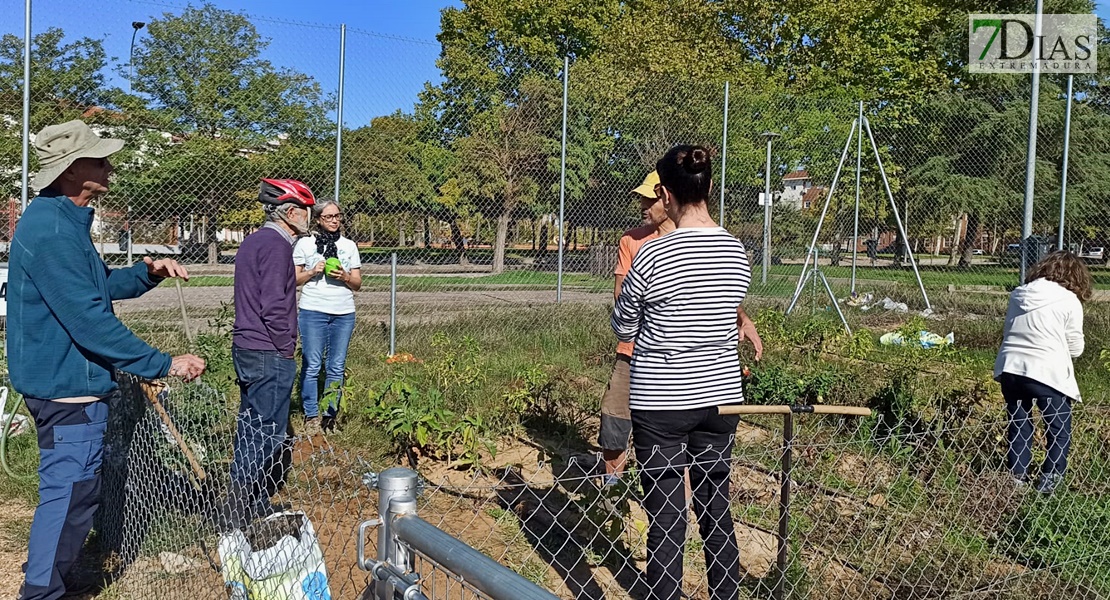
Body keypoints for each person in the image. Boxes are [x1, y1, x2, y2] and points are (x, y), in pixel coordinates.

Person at [9, 119, 205, 600]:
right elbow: (90, 322)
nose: (110, 165)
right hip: (66, 387)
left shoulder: (62, 220)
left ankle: (53, 578)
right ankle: (41, 592)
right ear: (73, 171)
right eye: (101, 159)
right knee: (70, 495)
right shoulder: (54, 230)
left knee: (75, 493)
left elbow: (96, 288)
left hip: (68, 381)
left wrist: (146, 273)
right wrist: (163, 363)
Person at [612, 144, 758, 600]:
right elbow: (728, 314)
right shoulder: (736, 251)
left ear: (665, 193)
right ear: (709, 187)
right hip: (721, 399)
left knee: (667, 519)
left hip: (662, 403)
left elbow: (623, 323)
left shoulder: (653, 255)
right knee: (717, 508)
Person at [222, 178, 315, 529]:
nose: (310, 217)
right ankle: (237, 510)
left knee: (250, 426)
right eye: (306, 211)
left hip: (246, 346)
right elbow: (274, 304)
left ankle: (252, 502)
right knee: (267, 433)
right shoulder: (276, 246)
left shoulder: (253, 241)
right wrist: (285, 346)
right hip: (267, 350)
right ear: (290, 213)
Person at [598, 171, 674, 484]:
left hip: (675, 355)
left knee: (672, 433)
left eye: (650, 198)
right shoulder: (631, 240)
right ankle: (613, 491)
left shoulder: (690, 239)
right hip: (632, 350)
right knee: (614, 419)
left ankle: (672, 501)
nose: (643, 204)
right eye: (641, 197)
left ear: (668, 199)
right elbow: (621, 294)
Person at [995, 250, 1091, 495]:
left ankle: (1016, 481)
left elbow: (1009, 330)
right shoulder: (1069, 300)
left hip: (1010, 369)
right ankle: (1049, 485)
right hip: (1047, 373)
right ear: (1075, 276)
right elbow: (1076, 348)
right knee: (1058, 429)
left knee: (1019, 424)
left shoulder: (1018, 294)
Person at [293, 199, 362, 435]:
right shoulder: (305, 244)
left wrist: (344, 276)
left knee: (336, 366)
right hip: (313, 310)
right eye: (328, 217)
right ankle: (311, 415)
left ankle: (330, 416)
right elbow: (293, 280)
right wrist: (313, 271)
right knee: (312, 364)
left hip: (343, 312)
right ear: (318, 219)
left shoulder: (349, 246)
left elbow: (357, 284)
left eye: (337, 216)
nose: (334, 221)